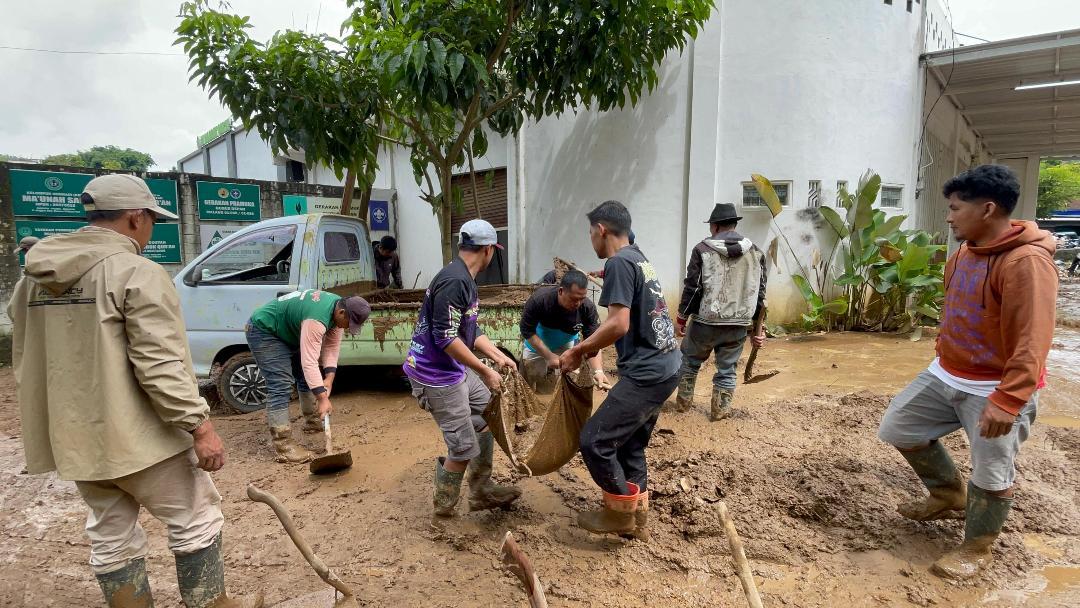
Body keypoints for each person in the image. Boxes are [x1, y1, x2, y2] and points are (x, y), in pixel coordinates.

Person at [6, 174, 261, 607]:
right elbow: (159, 363)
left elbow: (28, 336)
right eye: (152, 221)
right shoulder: (136, 272)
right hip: (140, 437)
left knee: (110, 533)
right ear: (136, 217)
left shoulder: (31, 280)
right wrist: (199, 427)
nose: (150, 231)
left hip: (74, 436)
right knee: (195, 518)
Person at [877, 164, 1057, 580]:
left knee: (992, 470)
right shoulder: (963, 253)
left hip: (995, 385)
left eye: (956, 208)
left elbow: (1034, 339)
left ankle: (978, 547)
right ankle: (948, 494)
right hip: (946, 373)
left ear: (988, 209)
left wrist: (1008, 399)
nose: (949, 217)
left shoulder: (1027, 263)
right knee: (899, 426)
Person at [560, 201, 681, 540]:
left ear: (601, 230)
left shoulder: (618, 262)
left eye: (590, 233)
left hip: (647, 373)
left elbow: (618, 324)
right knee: (630, 446)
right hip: (669, 365)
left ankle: (619, 515)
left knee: (594, 442)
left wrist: (579, 351)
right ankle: (638, 521)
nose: (591, 240)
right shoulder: (638, 257)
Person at [404, 219, 522, 518]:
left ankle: (481, 490)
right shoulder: (455, 280)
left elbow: (468, 327)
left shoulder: (463, 277)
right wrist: (486, 370)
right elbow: (445, 337)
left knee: (487, 412)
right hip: (436, 376)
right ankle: (443, 509)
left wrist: (497, 355)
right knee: (462, 448)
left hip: (452, 369)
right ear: (489, 250)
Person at [246, 290, 371, 463]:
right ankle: (284, 446)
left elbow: (331, 348)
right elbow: (309, 363)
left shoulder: (339, 310)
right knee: (280, 385)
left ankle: (313, 422)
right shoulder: (317, 320)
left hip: (289, 331)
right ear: (341, 312)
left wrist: (329, 380)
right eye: (349, 323)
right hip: (265, 330)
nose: (348, 328)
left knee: (308, 378)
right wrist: (322, 399)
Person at [674, 203, 767, 420]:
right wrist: (758, 328)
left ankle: (682, 409)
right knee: (727, 371)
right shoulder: (756, 252)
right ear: (734, 225)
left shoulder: (702, 250)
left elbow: (693, 288)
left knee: (689, 363)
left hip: (705, 322)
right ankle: (719, 414)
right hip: (738, 324)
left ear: (715, 226)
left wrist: (681, 317)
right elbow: (760, 293)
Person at [519, 269, 611, 393]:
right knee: (530, 380)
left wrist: (598, 371)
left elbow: (593, 342)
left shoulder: (587, 308)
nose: (578, 303)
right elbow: (527, 330)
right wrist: (549, 356)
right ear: (561, 291)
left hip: (566, 347)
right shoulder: (540, 299)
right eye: (574, 299)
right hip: (536, 346)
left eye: (582, 298)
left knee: (559, 385)